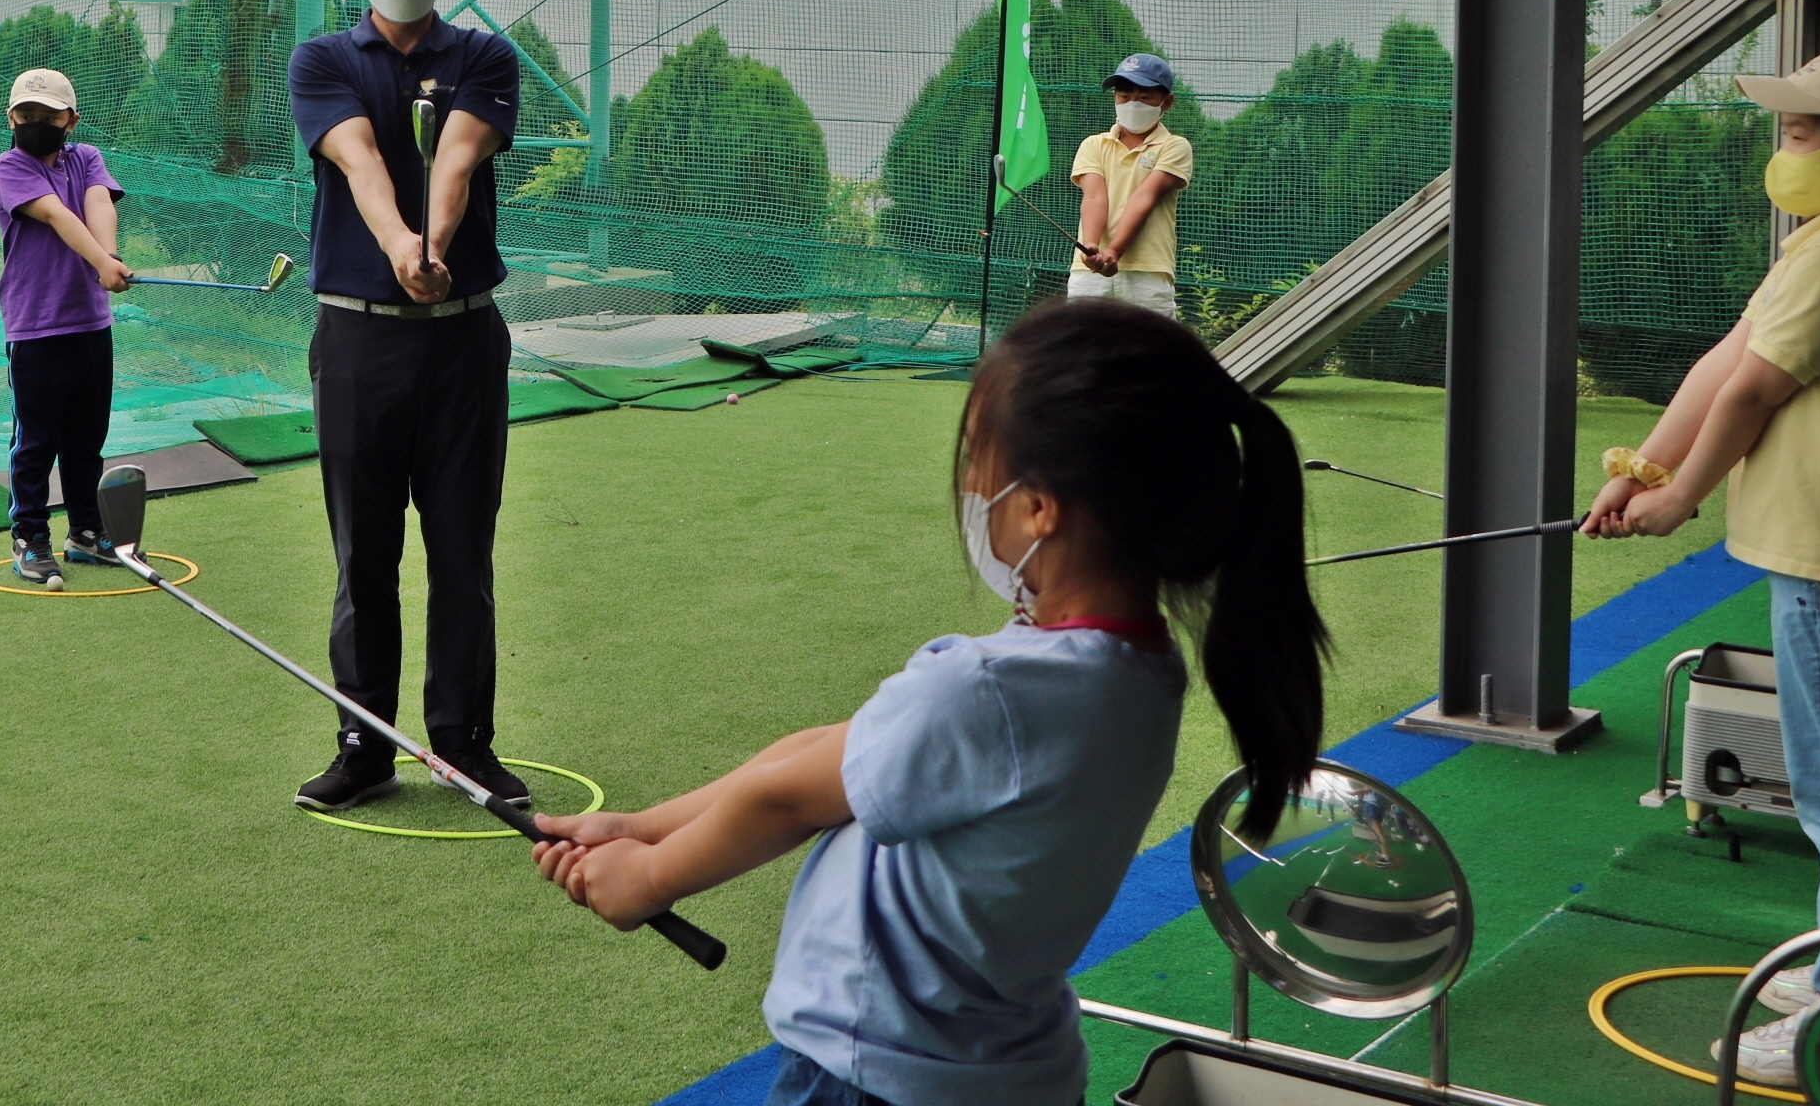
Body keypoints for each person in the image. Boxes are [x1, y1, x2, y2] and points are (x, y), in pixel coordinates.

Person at [531, 301, 1325, 1106]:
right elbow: (825, 752)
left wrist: (650, 877)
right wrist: (641, 827)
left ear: (1040, 504)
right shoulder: (1135, 673)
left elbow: (787, 798)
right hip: (1012, 1072)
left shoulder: (991, 689)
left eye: (979, 457)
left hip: (877, 1074)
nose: (971, 484)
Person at [1584, 53, 1820, 1086]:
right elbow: (1725, 359)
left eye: (1805, 131)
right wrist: (1639, 468)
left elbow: (1752, 391)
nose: (1786, 148)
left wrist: (1680, 497)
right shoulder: (1812, 242)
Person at [285, 0, 522, 811]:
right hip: (358, 340)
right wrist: (399, 246)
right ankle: (365, 745)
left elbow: (455, 159)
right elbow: (360, 163)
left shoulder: (484, 56)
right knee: (365, 555)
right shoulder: (323, 60)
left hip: (463, 343)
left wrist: (435, 246)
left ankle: (463, 745)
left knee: (463, 551)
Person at [0, 67, 130, 592]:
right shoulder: (9, 166)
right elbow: (55, 215)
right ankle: (29, 538)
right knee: (36, 442)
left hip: (90, 321)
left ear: (71, 120)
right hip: (36, 327)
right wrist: (101, 262)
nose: (36, 123)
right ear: (11, 118)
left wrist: (109, 256)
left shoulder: (85, 157)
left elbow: (96, 203)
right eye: (26, 114)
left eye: (49, 116)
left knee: (86, 439)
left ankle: (86, 532)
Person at [1067, 52, 1192, 320]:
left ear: (1167, 101)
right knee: (1082, 346)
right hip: (1089, 273)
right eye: (1124, 96)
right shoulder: (1094, 145)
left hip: (1148, 271)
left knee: (1149, 348)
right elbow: (1094, 198)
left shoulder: (1174, 146)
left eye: (1145, 97)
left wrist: (1114, 251)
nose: (1133, 104)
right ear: (1114, 97)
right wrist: (1091, 247)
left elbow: (1144, 197)